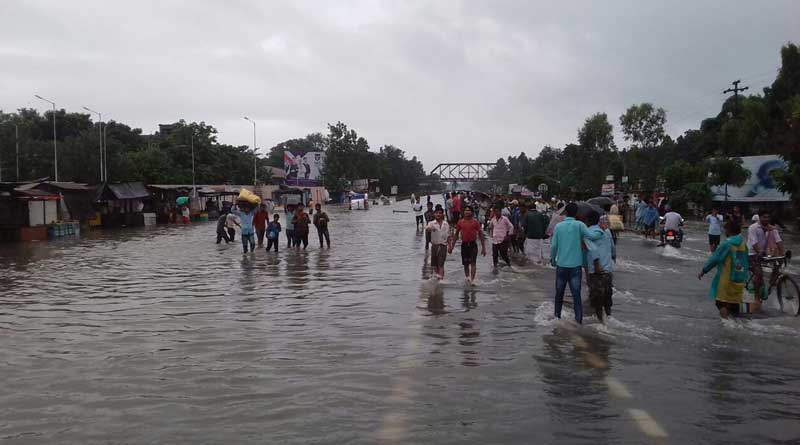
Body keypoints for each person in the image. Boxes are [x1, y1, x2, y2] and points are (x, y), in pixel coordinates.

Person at [550, 202, 603, 324]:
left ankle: (556, 318)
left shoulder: (558, 226)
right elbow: (592, 236)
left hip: (561, 265)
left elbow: (553, 246)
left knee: (559, 294)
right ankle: (578, 321)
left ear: (566, 212)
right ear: (577, 213)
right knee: (576, 296)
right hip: (575, 267)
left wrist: (553, 260)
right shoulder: (580, 225)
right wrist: (600, 231)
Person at [699, 221, 758, 318]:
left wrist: (704, 270)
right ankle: (744, 319)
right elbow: (747, 261)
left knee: (720, 303)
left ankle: (727, 324)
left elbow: (715, 259)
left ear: (728, 231)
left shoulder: (727, 244)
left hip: (726, 279)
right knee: (734, 303)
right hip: (740, 278)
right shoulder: (743, 244)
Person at [747, 208, 785, 300]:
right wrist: (759, 252)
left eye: (768, 217)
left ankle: (772, 283)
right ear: (759, 218)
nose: (767, 219)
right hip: (752, 253)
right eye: (764, 217)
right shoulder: (753, 227)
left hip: (764, 253)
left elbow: (778, 241)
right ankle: (756, 297)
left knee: (778, 263)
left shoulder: (772, 228)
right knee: (759, 274)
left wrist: (783, 253)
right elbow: (754, 242)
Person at [584, 211, 616, 322]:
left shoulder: (589, 233)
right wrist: (613, 258)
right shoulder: (606, 231)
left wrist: (596, 265)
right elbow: (612, 247)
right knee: (607, 299)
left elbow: (593, 250)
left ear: (587, 221)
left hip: (597, 271)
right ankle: (609, 319)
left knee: (597, 301)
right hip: (608, 270)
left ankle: (601, 324)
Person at [454, 206, 486, 284]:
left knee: (473, 263)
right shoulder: (460, 222)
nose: (467, 212)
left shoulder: (475, 222)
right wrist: (452, 246)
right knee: (465, 264)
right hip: (464, 245)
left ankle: (473, 280)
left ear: (472, 212)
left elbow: (481, 234)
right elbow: (456, 234)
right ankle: (468, 278)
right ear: (463, 212)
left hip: (473, 245)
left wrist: (483, 247)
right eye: (465, 210)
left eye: (468, 210)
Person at [426, 205, 449, 279]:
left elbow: (448, 236)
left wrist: (450, 246)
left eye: (440, 213)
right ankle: (437, 277)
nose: (438, 214)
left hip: (443, 246)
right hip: (434, 246)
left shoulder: (446, 224)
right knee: (435, 265)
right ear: (434, 214)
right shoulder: (431, 223)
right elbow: (428, 227)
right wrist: (428, 229)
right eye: (436, 213)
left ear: (443, 214)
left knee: (441, 264)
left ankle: (441, 279)